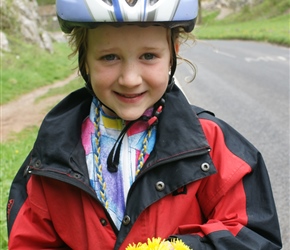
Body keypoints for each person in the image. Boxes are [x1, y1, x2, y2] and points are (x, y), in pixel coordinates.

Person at [6, 0, 282, 249]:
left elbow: (252, 234)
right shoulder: (50, 156)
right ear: (84, 59)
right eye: (109, 57)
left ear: (173, 53)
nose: (129, 78)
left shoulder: (211, 143)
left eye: (148, 56)